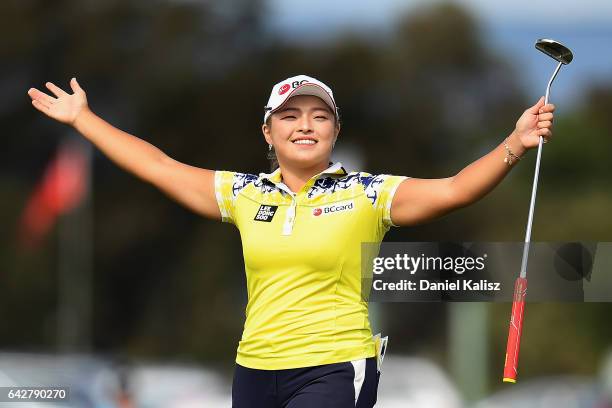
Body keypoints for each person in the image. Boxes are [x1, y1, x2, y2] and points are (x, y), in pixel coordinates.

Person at [27, 74, 555, 407]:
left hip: (334, 366)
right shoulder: (244, 194)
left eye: (319, 116)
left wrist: (515, 141)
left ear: (334, 131)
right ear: (268, 133)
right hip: (254, 368)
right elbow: (158, 166)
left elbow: (456, 189)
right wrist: (84, 119)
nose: (306, 126)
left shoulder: (368, 192)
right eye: (290, 116)